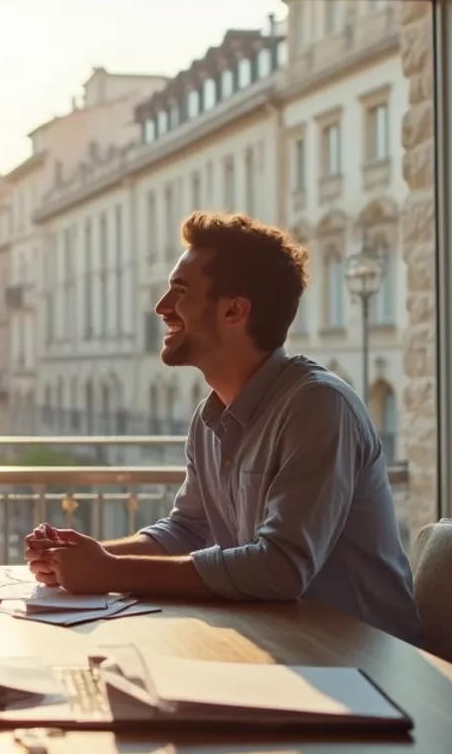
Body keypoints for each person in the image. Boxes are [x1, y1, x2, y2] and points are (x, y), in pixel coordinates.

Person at [24, 211, 424, 645]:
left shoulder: (319, 406)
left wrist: (109, 571)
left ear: (234, 310)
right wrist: (82, 557)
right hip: (287, 648)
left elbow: (281, 568)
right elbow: (189, 531)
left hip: (367, 668)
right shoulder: (208, 417)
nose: (161, 308)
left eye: (179, 292)